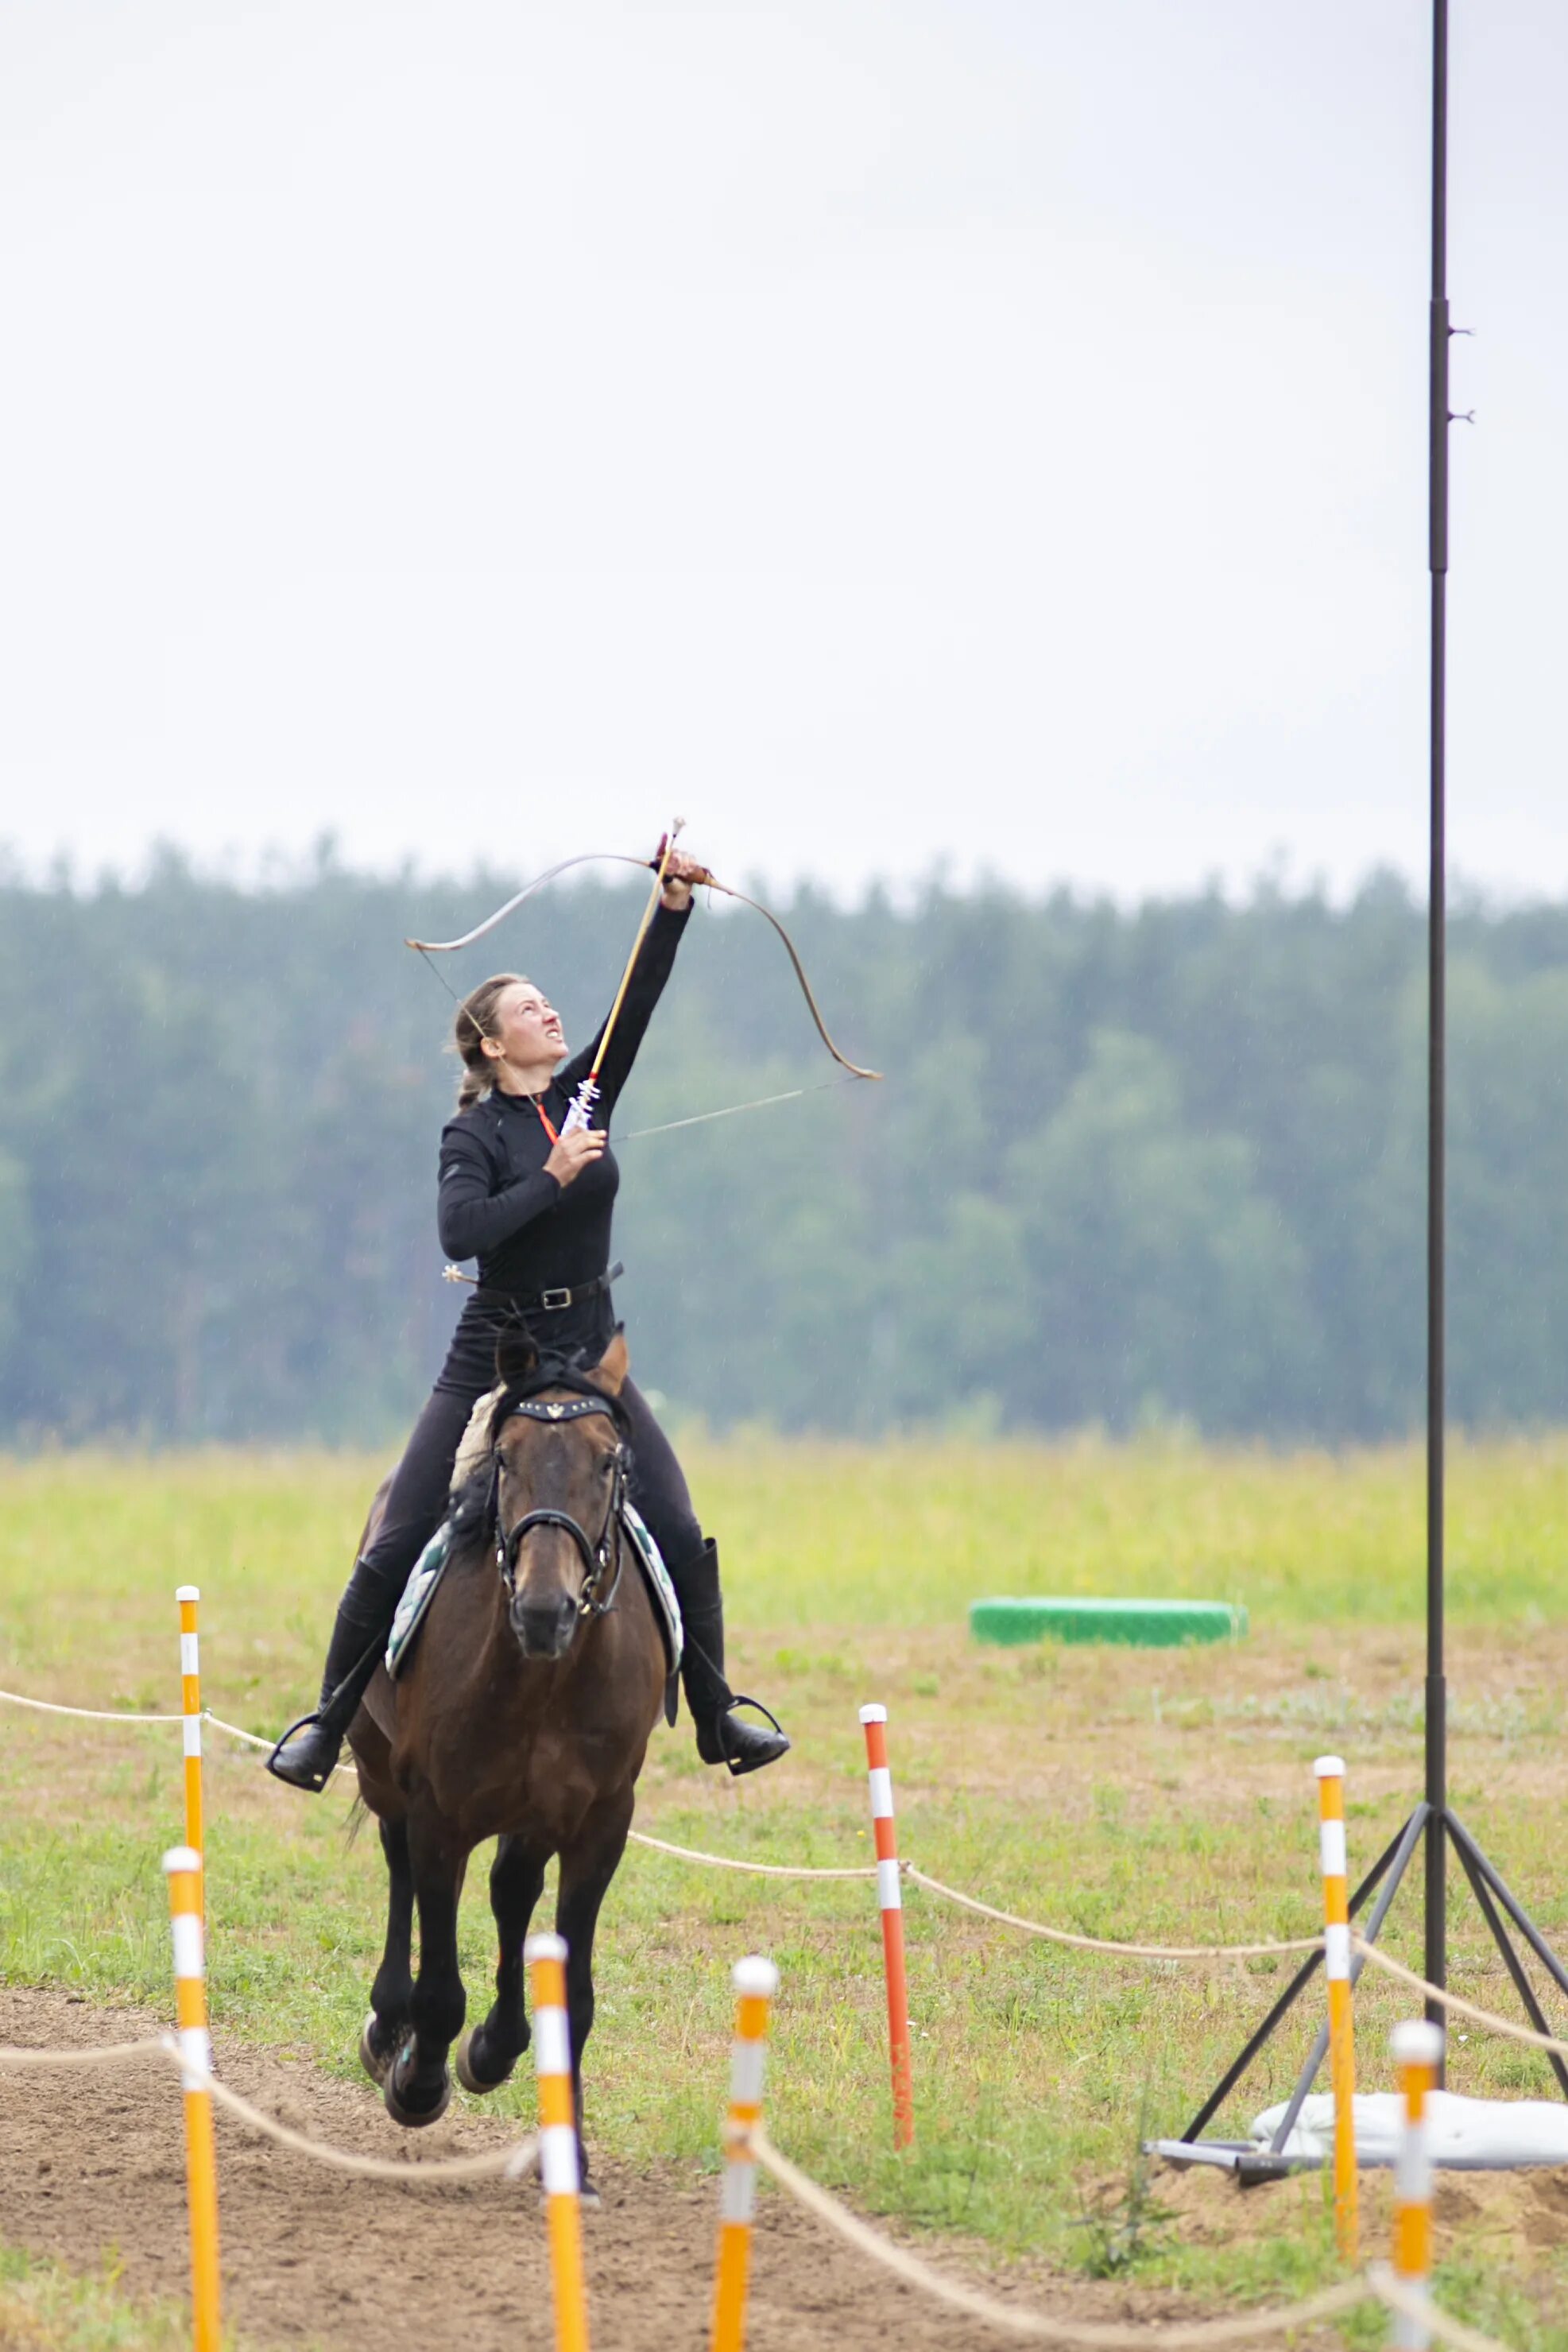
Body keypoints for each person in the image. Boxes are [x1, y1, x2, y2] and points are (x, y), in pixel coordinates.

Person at [267, 848, 790, 1791]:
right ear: (492, 1047)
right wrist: (550, 1179)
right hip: (493, 1357)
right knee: (395, 1534)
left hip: (592, 1353)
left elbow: (632, 1007)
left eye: (549, 1004)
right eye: (527, 1009)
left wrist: (669, 907)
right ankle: (327, 1721)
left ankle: (717, 1714)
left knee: (676, 1521)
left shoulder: (582, 1094)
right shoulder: (473, 1134)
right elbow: (460, 1230)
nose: (549, 1014)